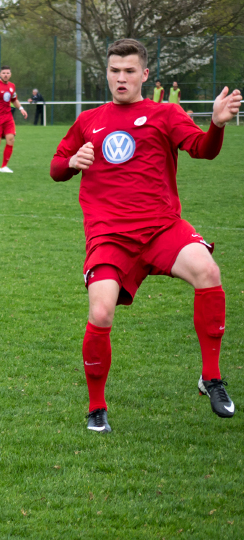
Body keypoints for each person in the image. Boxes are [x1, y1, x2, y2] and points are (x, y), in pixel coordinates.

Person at [50, 39, 240, 433]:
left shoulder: (165, 113)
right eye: (114, 71)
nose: (121, 78)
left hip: (161, 227)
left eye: (129, 71)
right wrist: (71, 161)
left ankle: (211, 378)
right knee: (101, 312)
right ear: (107, 73)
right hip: (110, 236)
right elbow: (55, 168)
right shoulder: (89, 120)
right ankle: (96, 408)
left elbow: (202, 150)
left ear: (145, 74)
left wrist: (217, 125)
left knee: (208, 271)